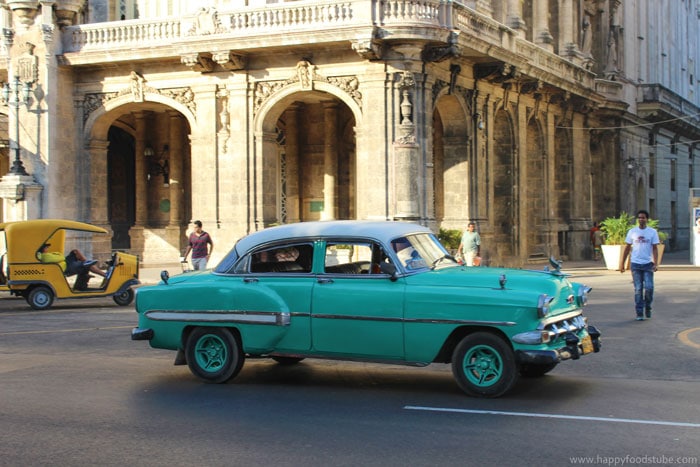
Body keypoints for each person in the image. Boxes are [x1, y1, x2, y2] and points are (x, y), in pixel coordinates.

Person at [620, 210, 660, 321]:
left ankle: (648, 306)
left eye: (643, 218)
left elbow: (655, 248)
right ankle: (639, 312)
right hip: (635, 264)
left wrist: (656, 263)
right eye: (639, 218)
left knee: (649, 288)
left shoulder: (652, 232)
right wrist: (622, 264)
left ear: (647, 219)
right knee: (638, 289)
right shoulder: (632, 232)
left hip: (648, 264)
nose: (641, 219)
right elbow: (627, 248)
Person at [38, 243, 107, 278]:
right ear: (43, 249)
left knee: (75, 251)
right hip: (66, 266)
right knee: (89, 266)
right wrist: (59, 255)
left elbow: (60, 256)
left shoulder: (46, 255)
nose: (47, 248)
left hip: (66, 263)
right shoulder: (45, 256)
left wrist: (59, 256)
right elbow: (61, 257)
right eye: (46, 247)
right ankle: (105, 275)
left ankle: (85, 262)